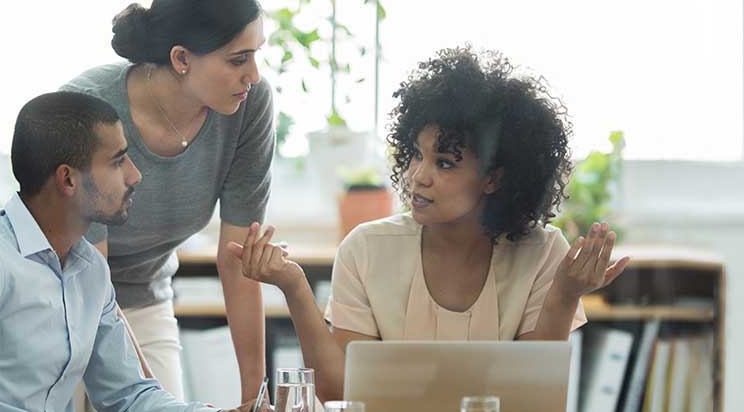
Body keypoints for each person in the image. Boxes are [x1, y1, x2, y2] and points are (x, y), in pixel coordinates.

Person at [231, 46, 633, 401]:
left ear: (494, 177)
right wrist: (294, 285)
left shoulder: (543, 253)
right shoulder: (366, 248)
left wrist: (564, 294)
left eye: (444, 163)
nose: (418, 176)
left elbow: (529, 402)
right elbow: (339, 393)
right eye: (417, 155)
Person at [0, 91, 252, 412]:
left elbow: (128, 394)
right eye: (118, 161)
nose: (135, 175)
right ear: (67, 178)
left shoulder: (90, 271)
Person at [59, 0, 272, 402]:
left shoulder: (248, 106)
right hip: (60, 299)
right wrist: (150, 399)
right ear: (181, 59)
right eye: (238, 59)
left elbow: (238, 258)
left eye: (256, 54)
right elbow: (89, 278)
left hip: (144, 299)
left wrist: (254, 397)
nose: (255, 75)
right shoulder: (90, 110)